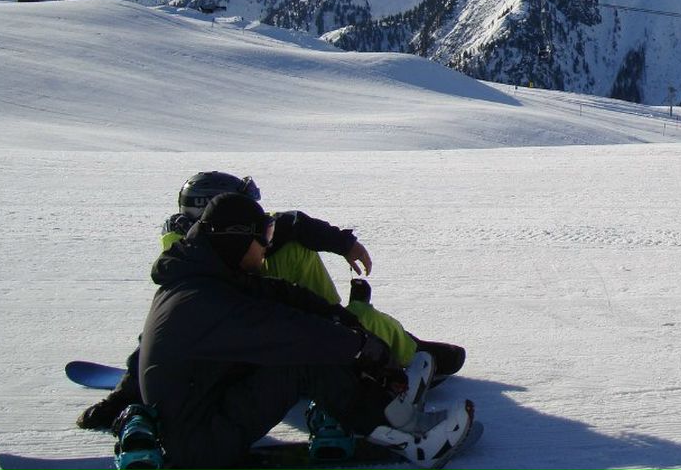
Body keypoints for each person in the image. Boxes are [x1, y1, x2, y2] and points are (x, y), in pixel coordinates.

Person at [78, 171, 465, 430]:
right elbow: (161, 331)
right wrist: (128, 393)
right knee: (333, 320)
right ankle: (399, 357)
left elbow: (291, 223)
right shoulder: (203, 272)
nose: (263, 227)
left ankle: (398, 347)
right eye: (253, 221)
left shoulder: (212, 248)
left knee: (306, 269)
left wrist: (343, 243)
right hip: (246, 364)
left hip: (266, 341)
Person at [134, 191, 474, 469]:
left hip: (205, 408)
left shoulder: (204, 277)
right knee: (303, 359)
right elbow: (285, 332)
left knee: (318, 339)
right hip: (200, 442)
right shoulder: (205, 301)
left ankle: (398, 415)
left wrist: (340, 319)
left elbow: (278, 295)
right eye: (262, 237)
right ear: (236, 240)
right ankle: (411, 439)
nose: (268, 246)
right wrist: (358, 347)